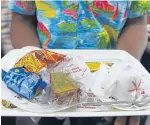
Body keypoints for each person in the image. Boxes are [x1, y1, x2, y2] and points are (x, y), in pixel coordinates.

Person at [9, 0, 150, 125]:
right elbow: (22, 19)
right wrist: (38, 71)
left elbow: (136, 21)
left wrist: (125, 74)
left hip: (109, 82)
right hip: (47, 77)